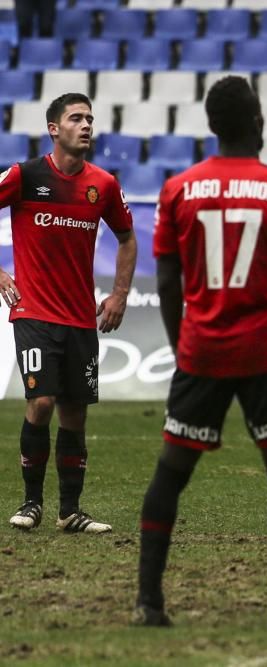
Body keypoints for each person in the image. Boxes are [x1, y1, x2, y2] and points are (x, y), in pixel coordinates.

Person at [135, 76, 267, 627]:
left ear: (212, 126)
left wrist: (182, 347)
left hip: (203, 352)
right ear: (259, 121)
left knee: (171, 471)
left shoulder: (177, 189)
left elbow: (167, 282)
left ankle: (149, 601)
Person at [2, 93, 136, 534]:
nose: (86, 125)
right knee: (41, 402)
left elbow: (127, 238)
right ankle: (30, 503)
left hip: (80, 318)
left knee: (75, 414)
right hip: (34, 313)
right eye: (76, 118)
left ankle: (70, 511)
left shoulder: (104, 185)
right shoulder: (26, 176)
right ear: (54, 129)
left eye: (90, 118)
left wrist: (118, 295)